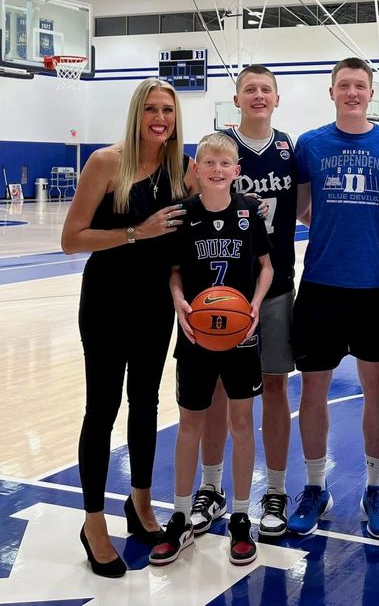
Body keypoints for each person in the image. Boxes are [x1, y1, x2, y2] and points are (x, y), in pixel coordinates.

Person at [61, 78, 195, 578]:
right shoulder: (105, 163)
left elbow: (223, 193)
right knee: (102, 407)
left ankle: (140, 504)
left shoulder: (182, 169)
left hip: (154, 306)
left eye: (169, 110)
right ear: (137, 113)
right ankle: (93, 522)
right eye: (152, 110)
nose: (161, 118)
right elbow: (71, 239)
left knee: (146, 404)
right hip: (106, 301)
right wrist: (138, 232)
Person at [285, 57, 379, 539]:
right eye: (344, 85)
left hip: (376, 284)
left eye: (360, 86)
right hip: (321, 285)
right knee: (313, 391)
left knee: (376, 389)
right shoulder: (311, 144)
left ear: (371, 92)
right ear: (331, 91)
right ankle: (316, 486)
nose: (352, 92)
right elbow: (295, 211)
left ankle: (376, 487)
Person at [149, 132, 273, 566]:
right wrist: (178, 299)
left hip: (242, 335)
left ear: (237, 172)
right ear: (196, 170)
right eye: (210, 164)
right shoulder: (184, 216)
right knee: (190, 426)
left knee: (242, 423)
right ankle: (180, 517)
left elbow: (266, 267)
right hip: (197, 335)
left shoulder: (249, 213)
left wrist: (255, 305)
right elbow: (176, 272)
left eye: (226, 164)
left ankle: (241, 516)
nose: (218, 170)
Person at [189, 65, 299, 541]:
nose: (258, 96)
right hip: (220, 296)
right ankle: (210, 488)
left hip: (272, 290)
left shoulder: (289, 148)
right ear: (236, 99)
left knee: (274, 387)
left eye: (265, 89)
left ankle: (274, 490)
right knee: (216, 392)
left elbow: (306, 205)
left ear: (277, 98)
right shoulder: (217, 148)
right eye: (249, 89)